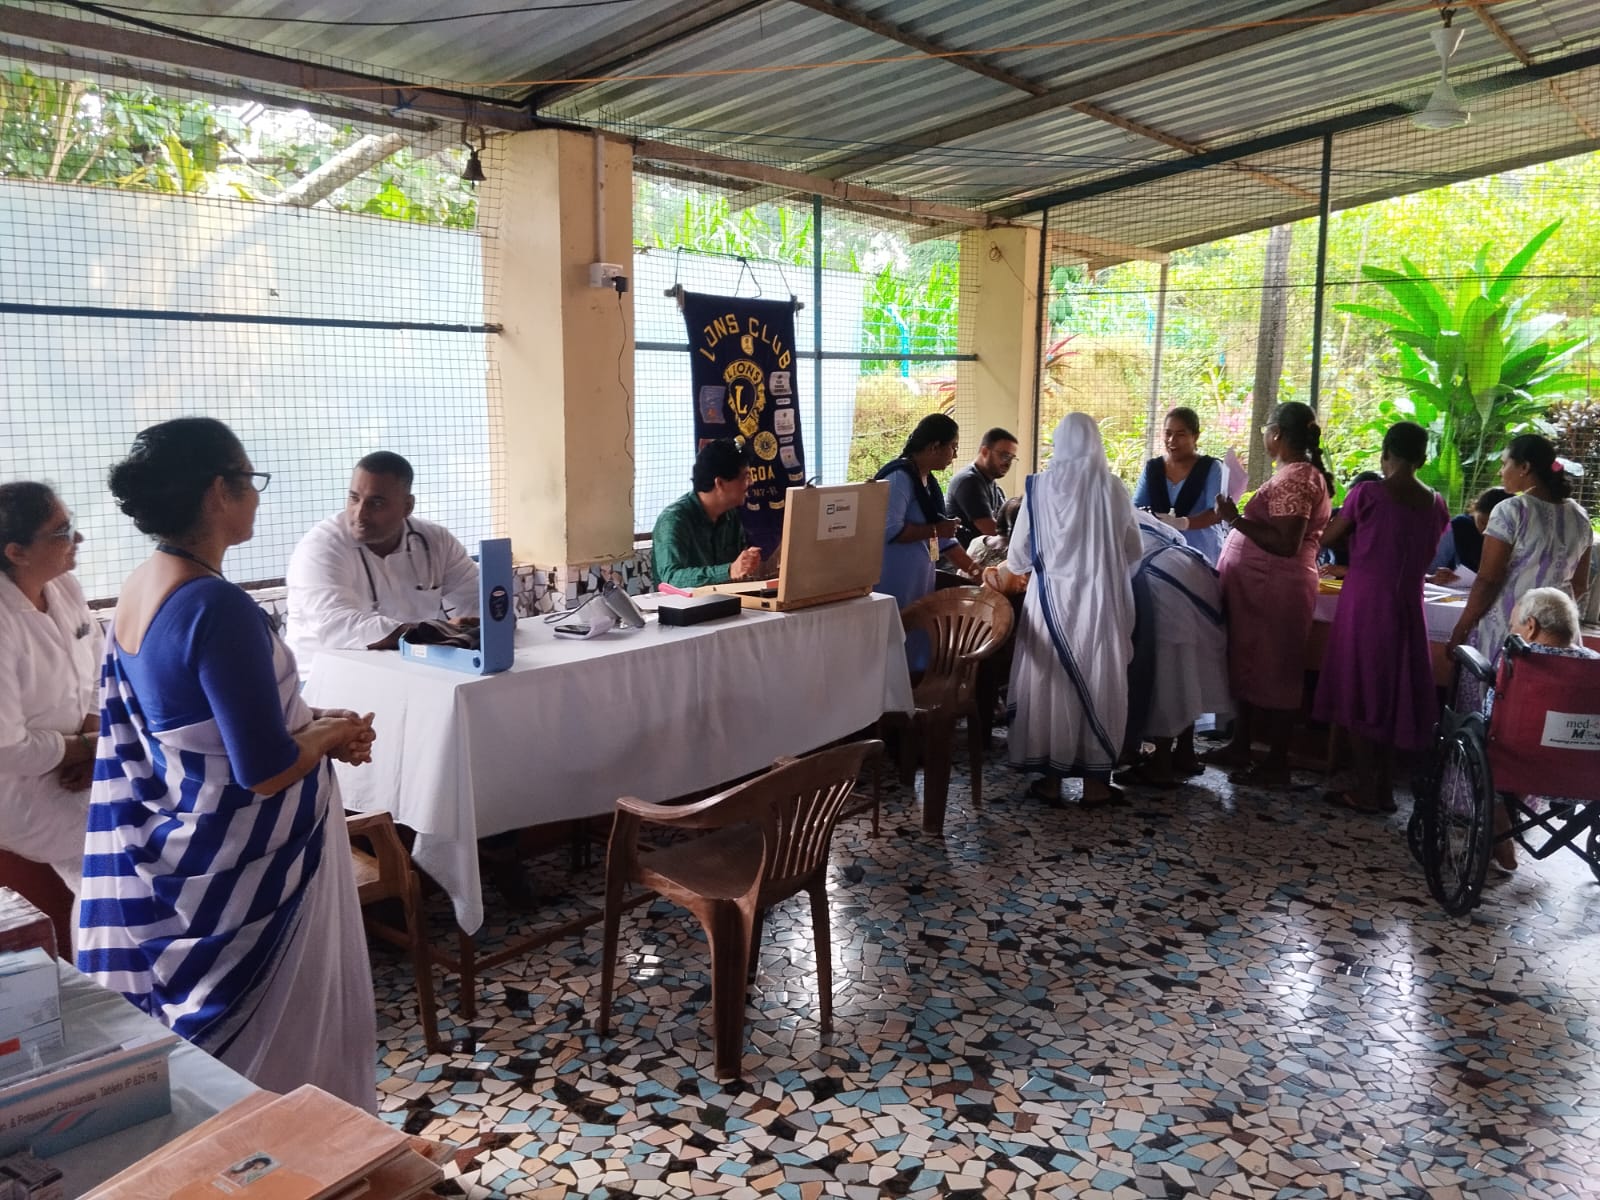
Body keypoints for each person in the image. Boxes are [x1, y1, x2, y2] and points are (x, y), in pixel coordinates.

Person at [80, 417, 379, 1110]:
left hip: (191, 860)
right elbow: (264, 769)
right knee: (294, 1049)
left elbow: (196, 724)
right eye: (251, 480)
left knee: (231, 1073)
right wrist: (323, 739)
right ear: (219, 491)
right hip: (259, 882)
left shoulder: (142, 586)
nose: (256, 496)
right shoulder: (217, 606)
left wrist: (315, 721)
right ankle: (310, 1147)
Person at [1002, 413, 1143, 807]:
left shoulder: (1038, 488)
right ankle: (1096, 786)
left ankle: (1050, 780)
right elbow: (1133, 549)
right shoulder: (1112, 488)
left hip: (1050, 605)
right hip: (1099, 605)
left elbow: (1018, 557)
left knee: (1051, 684)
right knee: (1099, 681)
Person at [1312, 422, 1449, 813]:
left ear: (1385, 453)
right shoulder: (1436, 503)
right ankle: (1385, 786)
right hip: (1408, 605)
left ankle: (1367, 788)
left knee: (1358, 690)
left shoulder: (1368, 493)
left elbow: (1326, 536)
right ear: (1422, 458)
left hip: (1366, 603)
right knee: (1392, 694)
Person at [1207, 401, 1334, 788]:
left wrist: (1234, 519)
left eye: (1265, 428)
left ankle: (1277, 762)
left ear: (1277, 433)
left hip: (1274, 588)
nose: (1264, 435)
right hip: (1259, 588)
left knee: (1277, 670)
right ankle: (1240, 744)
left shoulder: (1296, 477)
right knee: (1249, 664)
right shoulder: (1295, 473)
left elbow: (1285, 542)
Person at [286, 452, 480, 680]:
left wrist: (481, 623)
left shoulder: (436, 541)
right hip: (322, 681)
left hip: (408, 672)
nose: (360, 514)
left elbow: (478, 598)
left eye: (376, 503)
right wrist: (434, 633)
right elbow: (338, 626)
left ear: (407, 506)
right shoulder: (321, 546)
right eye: (354, 498)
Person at [0, 483, 99, 899]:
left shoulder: (64, 587)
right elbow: (7, 749)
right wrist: (89, 747)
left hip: (80, 761)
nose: (78, 538)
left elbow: (99, 668)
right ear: (16, 552)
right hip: (23, 790)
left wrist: (93, 742)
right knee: (121, 847)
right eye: (62, 532)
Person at [1447, 434, 1591, 710]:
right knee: (1540, 713)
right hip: (1560, 636)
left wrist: (1461, 628)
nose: (1501, 471)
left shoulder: (1511, 510)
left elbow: (1488, 579)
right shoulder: (1579, 517)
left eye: (1505, 464)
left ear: (1524, 467)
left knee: (1493, 708)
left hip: (1507, 631)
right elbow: (1580, 585)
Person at [1483, 587, 1600, 873]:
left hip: (1519, 764)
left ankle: (1500, 825)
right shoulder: (1595, 666)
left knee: (1485, 737)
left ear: (1531, 626)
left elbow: (1490, 717)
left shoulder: (1520, 664)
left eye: (1514, 625)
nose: (1513, 631)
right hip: (1585, 776)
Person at [1117, 510, 1232, 788]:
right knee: (1189, 667)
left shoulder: (1091, 516)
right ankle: (1184, 752)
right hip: (1192, 570)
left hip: (1162, 580)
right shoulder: (1129, 510)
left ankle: (1161, 765)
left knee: (1168, 673)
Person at [874, 414, 979, 612]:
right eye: (953, 447)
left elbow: (944, 541)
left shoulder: (927, 482)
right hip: (894, 581)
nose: (955, 455)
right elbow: (889, 530)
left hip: (918, 583)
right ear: (934, 447)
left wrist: (977, 572)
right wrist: (936, 530)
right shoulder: (899, 478)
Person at [651, 439, 762, 590]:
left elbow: (739, 570)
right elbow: (671, 579)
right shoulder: (674, 520)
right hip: (683, 604)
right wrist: (729, 571)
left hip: (725, 600)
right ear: (720, 483)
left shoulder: (731, 515)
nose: (751, 482)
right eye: (745, 477)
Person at [1133, 407, 1228, 564]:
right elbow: (1137, 509)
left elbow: (1217, 513)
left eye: (1180, 434)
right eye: (1168, 433)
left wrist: (1183, 523)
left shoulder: (1211, 468)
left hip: (1202, 553)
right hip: (1161, 556)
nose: (1172, 440)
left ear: (1195, 436)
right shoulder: (1153, 468)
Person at [945, 427, 1019, 547]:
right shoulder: (968, 481)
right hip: (962, 557)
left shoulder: (994, 486)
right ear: (984, 452)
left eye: (1012, 458)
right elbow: (991, 530)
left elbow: (1004, 524)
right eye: (1004, 456)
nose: (1008, 463)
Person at [1430, 486, 1512, 582]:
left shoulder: (1519, 536)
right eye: (1482, 522)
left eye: (1494, 525)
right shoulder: (1458, 527)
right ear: (1474, 511)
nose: (1486, 530)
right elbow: (1431, 570)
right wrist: (1436, 577)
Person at [1317, 470, 1381, 576]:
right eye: (1349, 502)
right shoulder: (1334, 516)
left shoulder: (1381, 529)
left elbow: (1382, 570)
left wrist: (1345, 570)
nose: (1351, 508)